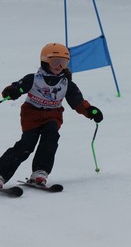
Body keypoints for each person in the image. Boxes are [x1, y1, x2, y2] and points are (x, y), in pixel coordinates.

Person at [0, 43, 103, 188]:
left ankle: (40, 172)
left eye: (64, 63)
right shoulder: (34, 78)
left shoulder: (66, 84)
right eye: (56, 62)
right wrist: (13, 91)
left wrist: (90, 110)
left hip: (52, 116)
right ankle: (1, 174)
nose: (59, 66)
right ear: (45, 61)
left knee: (51, 137)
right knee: (26, 145)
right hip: (32, 115)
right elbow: (19, 87)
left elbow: (78, 102)